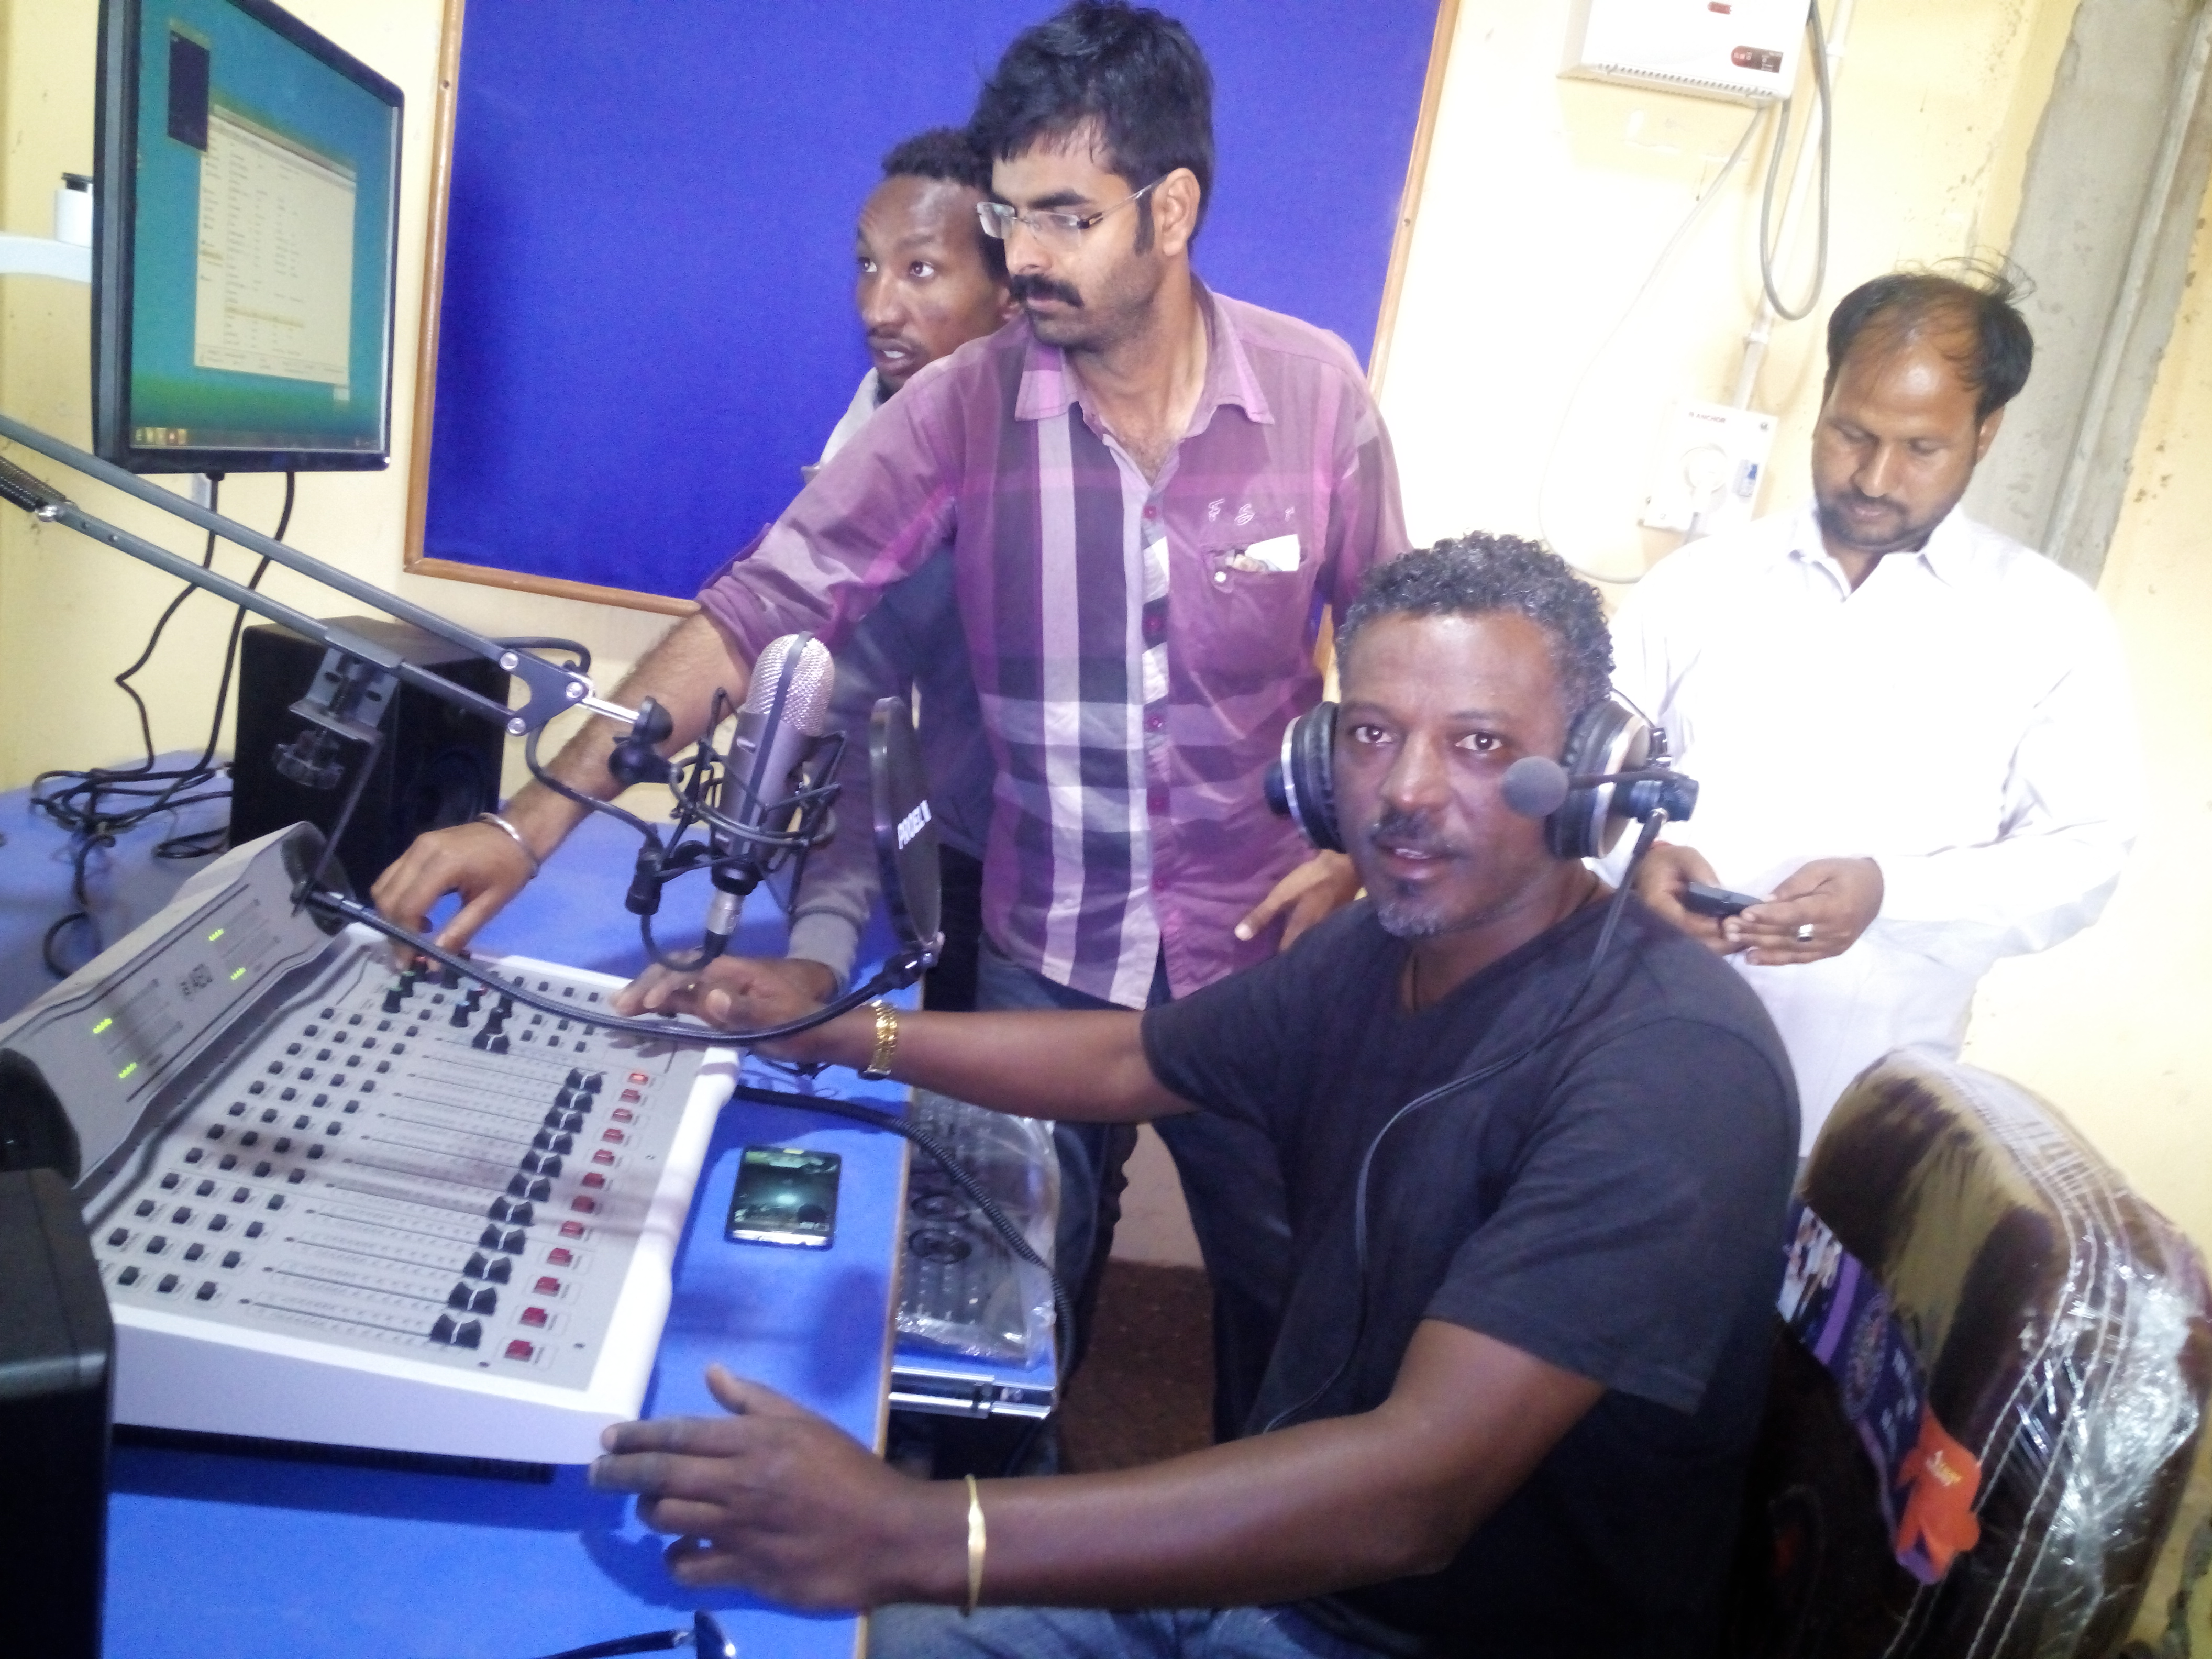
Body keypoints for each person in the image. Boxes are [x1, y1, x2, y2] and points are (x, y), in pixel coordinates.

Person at [371, 1, 1407, 1432]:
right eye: (1006, 213)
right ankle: (1005, 1550)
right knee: (1011, 1302)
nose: (1021, 255)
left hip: (1270, 947)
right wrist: (533, 816)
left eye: (1064, 216)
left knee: (1291, 1296)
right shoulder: (964, 407)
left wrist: (1363, 849)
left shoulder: (1318, 394)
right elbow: (763, 606)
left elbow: (1393, 655)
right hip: (1051, 947)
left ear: (1173, 211)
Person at [593, 535, 1799, 1658]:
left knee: (884, 1608)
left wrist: (917, 1531)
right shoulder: (1374, 950)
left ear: (1588, 775)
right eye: (1373, 735)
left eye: (1479, 745)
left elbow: (1418, 1495)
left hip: (1425, 1628)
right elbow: (1137, 1063)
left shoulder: (1675, 1070)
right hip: (1287, 1559)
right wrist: (842, 1031)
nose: (1407, 791)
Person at [1610, 268, 2141, 1152]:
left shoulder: (2050, 626)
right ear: (1822, 407)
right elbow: (1583, 776)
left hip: (1849, 1118)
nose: (1875, 476)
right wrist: (1638, 858)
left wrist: (1895, 893)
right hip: (1628, 1067)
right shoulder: (1701, 585)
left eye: (1920, 449)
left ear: (1986, 433)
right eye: (1851, 434)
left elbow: (2082, 859)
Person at [782, 126, 1015, 1016]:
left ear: (1010, 295)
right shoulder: (870, 442)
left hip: (1144, 888)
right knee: (974, 1137)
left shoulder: (1076, 455)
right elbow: (844, 712)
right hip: (969, 864)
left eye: (920, 269)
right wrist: (818, 954)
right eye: (867, 266)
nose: (878, 306)